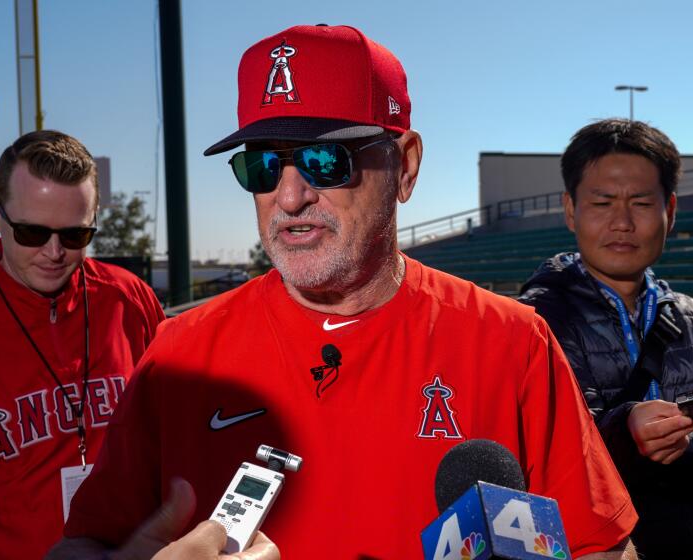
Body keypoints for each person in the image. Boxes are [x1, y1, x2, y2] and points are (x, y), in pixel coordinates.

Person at [55, 25, 637, 559]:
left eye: (323, 159)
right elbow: (80, 545)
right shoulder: (179, 353)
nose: (288, 197)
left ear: (405, 167)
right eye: (262, 166)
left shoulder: (511, 340)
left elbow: (602, 544)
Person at [0, 130, 168, 558]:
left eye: (74, 235)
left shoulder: (128, 299)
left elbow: (169, 438)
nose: (54, 252)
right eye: (31, 233)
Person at [519, 118, 693, 559]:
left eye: (640, 202)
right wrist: (625, 431)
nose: (622, 222)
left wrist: (690, 441)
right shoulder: (534, 319)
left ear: (669, 211)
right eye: (602, 202)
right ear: (570, 209)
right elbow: (542, 450)